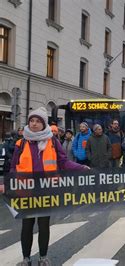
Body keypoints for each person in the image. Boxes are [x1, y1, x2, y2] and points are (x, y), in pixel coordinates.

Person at [4, 107, 88, 266]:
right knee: (27, 226)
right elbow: (13, 167)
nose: (34, 124)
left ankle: (43, 257)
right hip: (26, 191)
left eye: (38, 121)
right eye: (32, 121)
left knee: (43, 226)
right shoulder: (21, 143)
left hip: (46, 190)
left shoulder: (52, 141)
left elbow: (63, 162)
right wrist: (8, 184)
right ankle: (26, 258)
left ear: (44, 124)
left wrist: (81, 168)